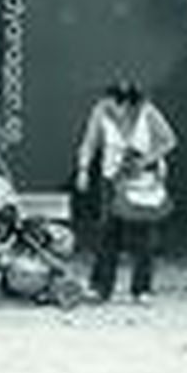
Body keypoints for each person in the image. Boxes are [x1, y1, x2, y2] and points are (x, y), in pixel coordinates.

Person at [75, 83, 179, 305]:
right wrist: (83, 169)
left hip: (141, 182)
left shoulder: (148, 112)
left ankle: (142, 289)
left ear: (129, 104)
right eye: (107, 103)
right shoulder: (101, 110)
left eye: (115, 105)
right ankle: (100, 288)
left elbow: (169, 140)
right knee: (107, 233)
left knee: (144, 235)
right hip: (111, 179)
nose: (110, 108)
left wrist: (143, 161)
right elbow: (89, 142)